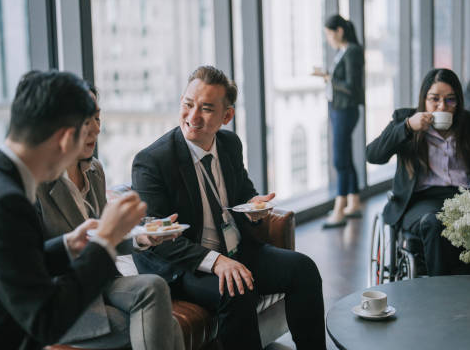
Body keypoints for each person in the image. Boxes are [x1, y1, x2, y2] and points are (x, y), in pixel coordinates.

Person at [0, 71, 147, 349]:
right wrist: (105, 241)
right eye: (85, 129)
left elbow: (9, 263)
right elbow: (46, 321)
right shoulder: (5, 202)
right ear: (67, 139)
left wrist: (67, 246)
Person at [131, 66, 325, 350]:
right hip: (185, 263)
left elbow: (244, 195)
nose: (193, 117)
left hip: (235, 249)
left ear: (227, 116)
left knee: (303, 269)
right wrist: (217, 262)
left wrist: (257, 209)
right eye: (188, 104)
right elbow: (159, 241)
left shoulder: (230, 144)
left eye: (206, 109)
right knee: (236, 289)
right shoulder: (152, 161)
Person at [36, 84, 184, 349]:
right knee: (162, 315)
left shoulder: (94, 170)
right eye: (85, 120)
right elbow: (37, 262)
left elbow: (105, 238)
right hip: (64, 297)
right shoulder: (37, 184)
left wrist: (144, 238)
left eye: (97, 118)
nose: (96, 129)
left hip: (101, 283)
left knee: (158, 298)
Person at [366, 68, 470, 276]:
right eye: (435, 100)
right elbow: (373, 155)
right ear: (424, 99)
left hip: (467, 197)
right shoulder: (405, 120)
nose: (442, 107)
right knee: (435, 222)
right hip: (422, 201)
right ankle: (440, 292)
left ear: (458, 101)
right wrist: (407, 127)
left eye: (450, 100)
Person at [312, 14, 365, 228]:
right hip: (338, 109)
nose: (328, 38)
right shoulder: (342, 51)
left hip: (345, 110)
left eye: (328, 33)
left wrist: (328, 77)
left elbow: (352, 85)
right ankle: (354, 203)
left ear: (339, 31)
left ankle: (339, 210)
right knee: (346, 157)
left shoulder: (352, 51)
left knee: (339, 160)